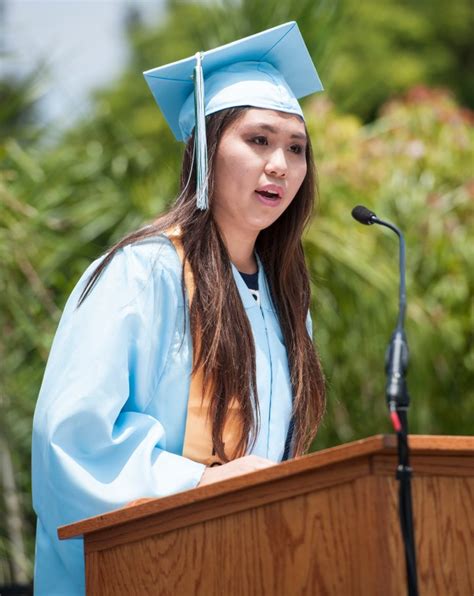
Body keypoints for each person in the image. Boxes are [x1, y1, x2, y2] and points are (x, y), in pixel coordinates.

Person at [32, 21, 326, 595]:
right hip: (150, 571)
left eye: (297, 148)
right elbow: (68, 439)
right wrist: (200, 482)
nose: (280, 165)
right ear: (206, 150)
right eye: (258, 140)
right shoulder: (144, 273)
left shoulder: (288, 301)